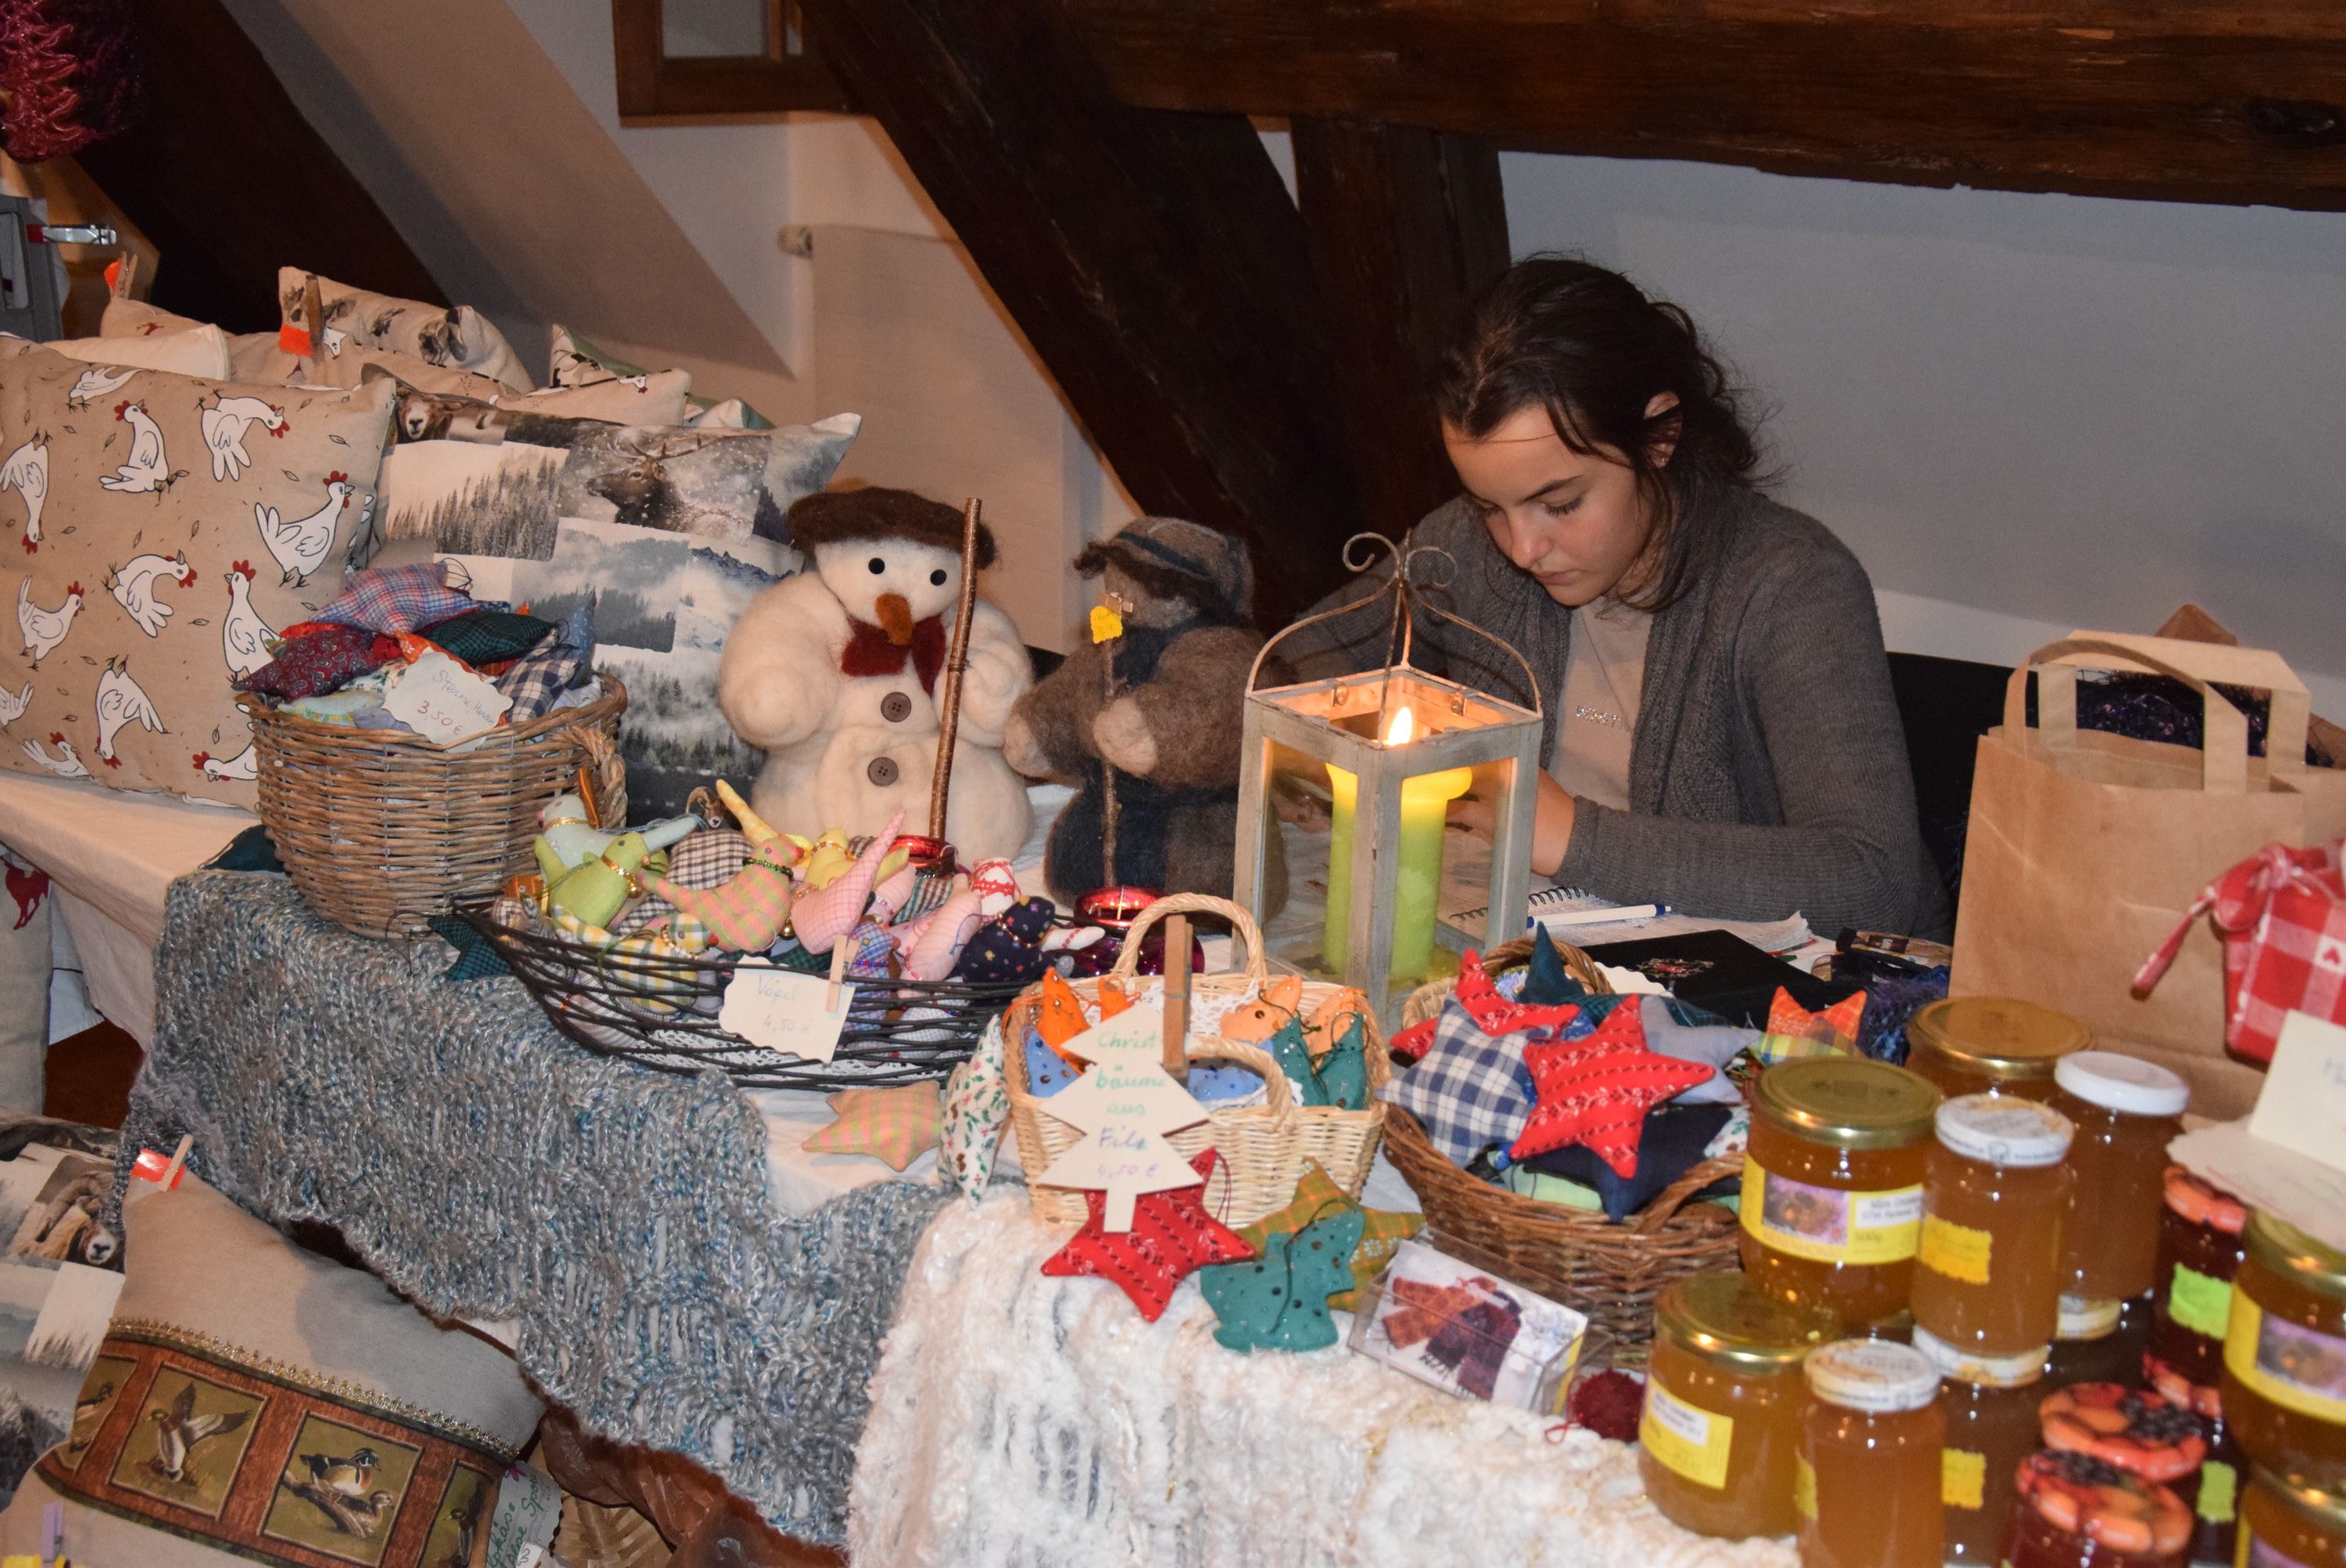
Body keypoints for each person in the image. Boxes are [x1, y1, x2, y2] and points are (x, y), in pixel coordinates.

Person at [1284, 256, 1951, 939]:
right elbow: (1299, 658)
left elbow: (1875, 882)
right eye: (1489, 505)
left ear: (1660, 436)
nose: (1521, 548)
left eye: (1561, 504)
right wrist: (1355, 754)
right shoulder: (1466, 544)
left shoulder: (1792, 587)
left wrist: (1572, 835)